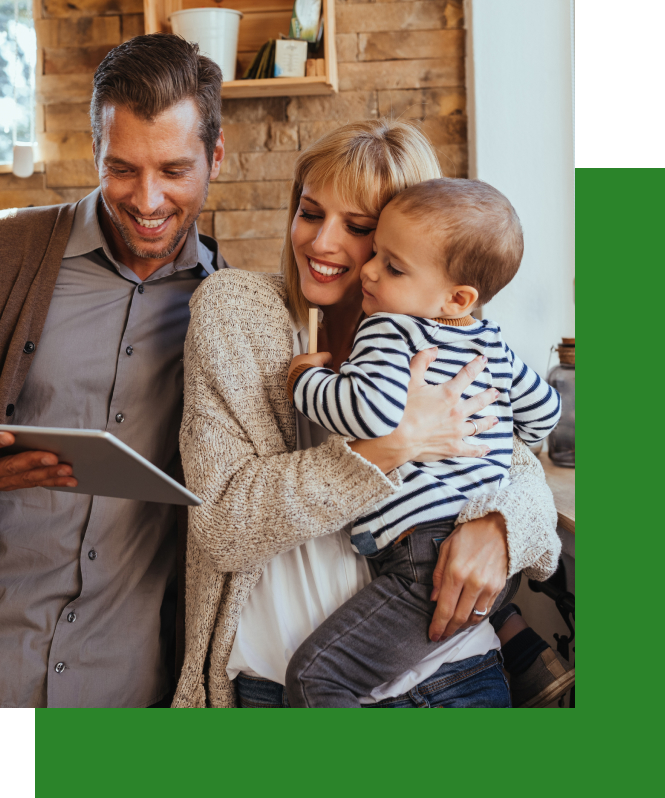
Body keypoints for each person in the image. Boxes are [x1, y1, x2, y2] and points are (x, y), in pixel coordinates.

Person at [0, 33, 228, 708]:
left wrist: (485, 520)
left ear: (215, 157)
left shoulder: (234, 308)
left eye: (173, 171)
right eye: (122, 169)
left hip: (126, 691)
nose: (147, 200)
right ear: (95, 153)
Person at [173, 120, 563, 709]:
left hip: (451, 681)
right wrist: (388, 447)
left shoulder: (440, 340)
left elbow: (515, 458)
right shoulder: (237, 311)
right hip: (279, 687)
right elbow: (221, 526)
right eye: (309, 213)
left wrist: (500, 529)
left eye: (359, 229)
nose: (322, 243)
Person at [283, 178, 562, 707]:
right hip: (481, 565)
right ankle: (523, 648)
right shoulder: (493, 342)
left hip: (424, 560)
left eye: (392, 266)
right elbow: (546, 412)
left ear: (457, 296)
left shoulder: (393, 329)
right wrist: (499, 431)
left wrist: (304, 382)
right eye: (377, 254)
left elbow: (369, 410)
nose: (369, 269)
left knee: (314, 679)